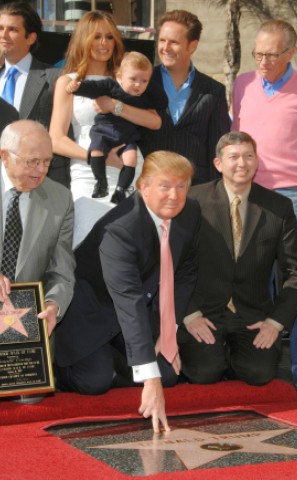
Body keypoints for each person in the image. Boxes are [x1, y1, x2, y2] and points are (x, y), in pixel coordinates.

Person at [54, 150, 201, 433]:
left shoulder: (191, 211)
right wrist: (149, 379)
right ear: (143, 187)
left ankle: (122, 363)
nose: (174, 195)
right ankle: (69, 364)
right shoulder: (120, 229)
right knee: (94, 382)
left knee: (169, 376)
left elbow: (186, 272)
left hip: (137, 308)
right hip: (93, 309)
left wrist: (167, 330)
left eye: (181, 186)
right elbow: (128, 300)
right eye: (165, 186)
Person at [178, 131, 297, 387]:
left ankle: (232, 356)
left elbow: (296, 271)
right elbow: (174, 262)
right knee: (204, 373)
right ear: (218, 163)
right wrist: (189, 313)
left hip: (252, 315)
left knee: (258, 374)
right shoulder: (193, 201)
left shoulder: (278, 207)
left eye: (249, 156)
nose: (242, 163)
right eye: (234, 157)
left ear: (257, 161)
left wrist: (275, 322)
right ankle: (217, 357)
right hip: (203, 311)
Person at [232, 19, 297, 394]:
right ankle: (255, 360)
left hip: (293, 198)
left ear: (290, 53)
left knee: (296, 285)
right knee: (251, 279)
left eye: (271, 54)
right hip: (246, 194)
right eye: (258, 53)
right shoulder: (243, 84)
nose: (262, 61)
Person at [49, 11, 164, 222]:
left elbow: (155, 121)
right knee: (88, 238)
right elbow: (55, 139)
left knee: (132, 243)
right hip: (88, 172)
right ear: (83, 39)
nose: (104, 43)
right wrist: (96, 158)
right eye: (96, 36)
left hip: (129, 168)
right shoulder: (68, 82)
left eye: (110, 37)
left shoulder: (128, 78)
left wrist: (114, 106)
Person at [0, 119, 75, 337]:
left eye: (47, 162)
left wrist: (54, 306)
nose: (41, 170)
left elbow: (61, 270)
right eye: (32, 162)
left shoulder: (60, 199)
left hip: (25, 330)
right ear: (5, 156)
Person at [139, 9, 230, 185]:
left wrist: (213, 194)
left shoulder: (214, 91)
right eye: (162, 40)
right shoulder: (142, 83)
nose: (165, 48)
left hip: (195, 189)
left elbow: (218, 149)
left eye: (174, 42)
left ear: (192, 46)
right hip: (149, 187)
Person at [67, 51, 167, 202]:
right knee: (96, 152)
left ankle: (121, 190)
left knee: (131, 158)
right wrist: (78, 87)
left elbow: (162, 103)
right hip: (104, 132)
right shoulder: (111, 86)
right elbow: (94, 87)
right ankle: (101, 183)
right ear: (120, 76)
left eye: (143, 81)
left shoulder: (144, 98)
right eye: (133, 79)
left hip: (126, 138)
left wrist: (147, 81)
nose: (137, 84)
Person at [0, 2, 69, 187]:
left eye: (12, 29)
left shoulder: (56, 78)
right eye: (0, 28)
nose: (3, 35)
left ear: (30, 37)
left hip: (40, 187)